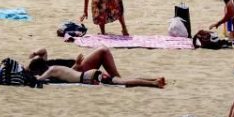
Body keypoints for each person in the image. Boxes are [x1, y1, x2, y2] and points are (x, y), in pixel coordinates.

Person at [24, 46, 164, 88]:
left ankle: (154, 83)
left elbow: (40, 79)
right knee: (120, 81)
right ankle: (152, 81)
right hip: (90, 75)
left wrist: (34, 75)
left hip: (89, 76)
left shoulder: (51, 70)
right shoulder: (54, 68)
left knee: (121, 82)